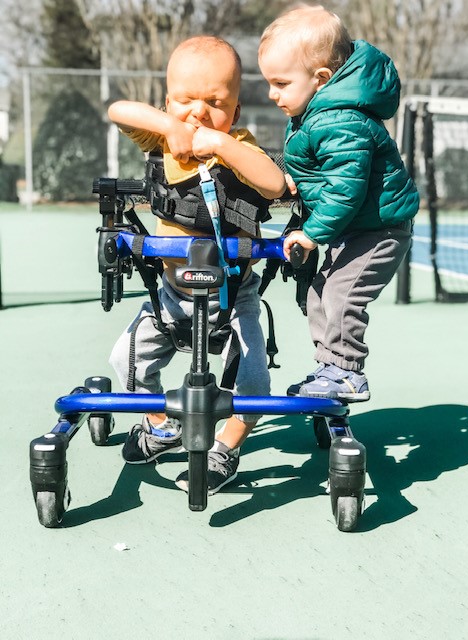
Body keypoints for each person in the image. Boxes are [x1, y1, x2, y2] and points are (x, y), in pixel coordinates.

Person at [108, 35, 286, 494]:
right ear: (168, 102)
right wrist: (170, 127)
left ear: (236, 111)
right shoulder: (162, 137)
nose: (199, 112)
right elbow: (119, 110)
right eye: (186, 101)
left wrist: (222, 145)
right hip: (170, 298)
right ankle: (160, 425)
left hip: (234, 296)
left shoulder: (240, 148)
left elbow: (274, 184)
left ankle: (227, 445)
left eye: (214, 102)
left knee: (254, 380)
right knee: (126, 362)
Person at [258, 4, 419, 401]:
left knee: (341, 294)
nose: (271, 93)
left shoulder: (340, 119)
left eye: (280, 83)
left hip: (381, 230)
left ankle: (347, 371)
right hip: (359, 229)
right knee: (319, 290)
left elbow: (346, 189)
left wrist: (312, 234)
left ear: (321, 79)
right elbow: (324, 171)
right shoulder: (315, 112)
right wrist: (296, 180)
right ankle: (329, 367)